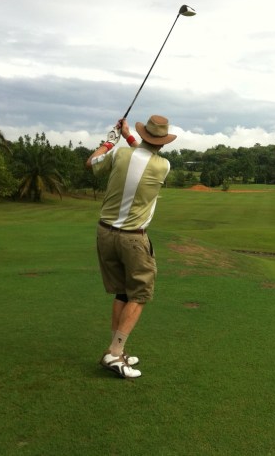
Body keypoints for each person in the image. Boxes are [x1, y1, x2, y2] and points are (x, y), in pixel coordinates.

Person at [86, 115, 176, 379]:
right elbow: (144, 154)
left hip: (105, 233)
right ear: (162, 142)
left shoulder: (119, 154)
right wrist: (128, 137)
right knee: (139, 294)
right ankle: (114, 354)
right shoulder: (163, 166)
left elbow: (91, 162)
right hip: (133, 239)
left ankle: (116, 349)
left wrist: (111, 140)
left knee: (122, 293)